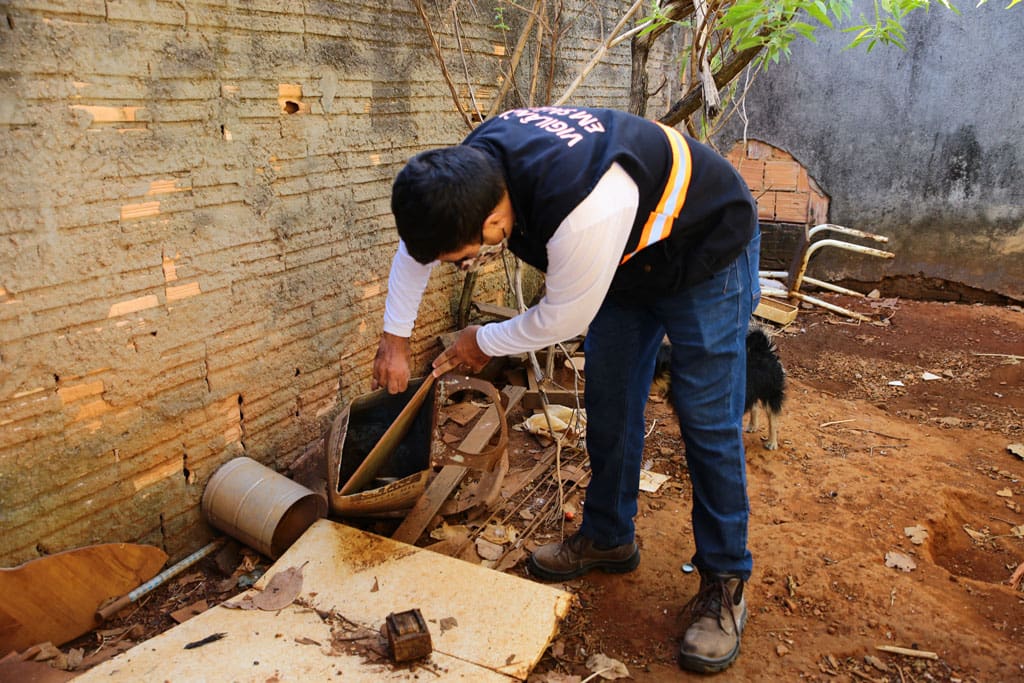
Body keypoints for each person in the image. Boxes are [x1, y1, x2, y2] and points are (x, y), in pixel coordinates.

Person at [371, 105, 760, 674]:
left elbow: (562, 319)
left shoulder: (582, 211)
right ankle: (608, 535)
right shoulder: (465, 172)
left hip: (705, 247)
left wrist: (484, 340)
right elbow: (417, 249)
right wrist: (393, 342)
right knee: (610, 401)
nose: (463, 266)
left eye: (465, 258)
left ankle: (725, 581)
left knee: (706, 419)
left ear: (493, 221)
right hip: (628, 257)